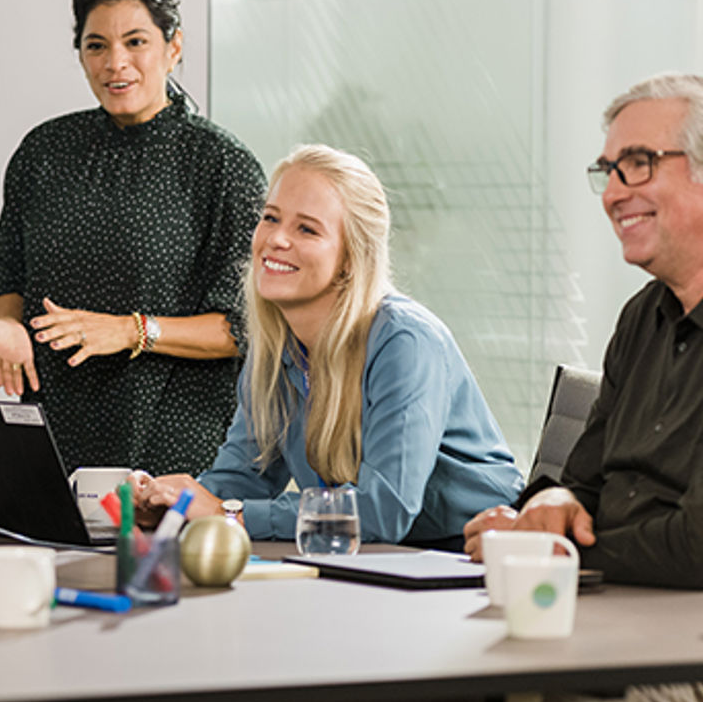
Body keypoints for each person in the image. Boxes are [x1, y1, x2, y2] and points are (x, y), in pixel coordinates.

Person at [273, 75, 703, 702]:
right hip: (619, 623)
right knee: (318, 692)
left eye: (639, 163)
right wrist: (545, 505)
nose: (615, 189)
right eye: (608, 169)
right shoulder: (645, 316)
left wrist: (546, 544)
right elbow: (575, 483)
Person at [0, 0, 266, 475]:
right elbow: (7, 275)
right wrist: (8, 325)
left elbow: (245, 326)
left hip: (173, 435)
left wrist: (131, 331)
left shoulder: (221, 164)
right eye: (96, 46)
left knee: (151, 556)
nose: (115, 63)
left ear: (174, 46)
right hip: (53, 426)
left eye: (135, 41)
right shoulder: (45, 151)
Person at [138, 144, 522, 547]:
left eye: (307, 229)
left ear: (350, 259)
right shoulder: (276, 347)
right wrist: (173, 503)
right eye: (270, 218)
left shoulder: (405, 342)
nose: (275, 240)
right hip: (369, 557)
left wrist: (225, 514)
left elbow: (382, 511)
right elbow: (244, 477)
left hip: (467, 559)